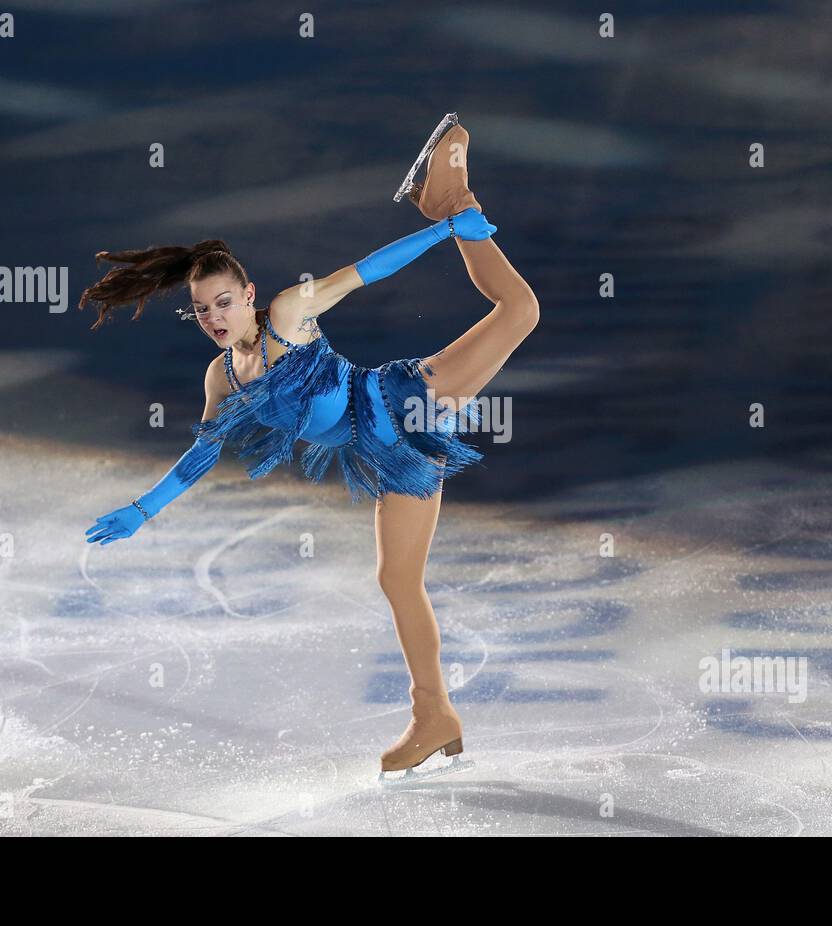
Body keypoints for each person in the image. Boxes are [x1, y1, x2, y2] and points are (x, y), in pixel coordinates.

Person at [80, 115, 539, 778]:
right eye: (202, 310)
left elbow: (365, 273)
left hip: (399, 404)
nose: (214, 318)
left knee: (520, 311)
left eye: (224, 303)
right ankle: (434, 718)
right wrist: (143, 509)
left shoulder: (291, 315)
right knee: (396, 577)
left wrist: (444, 233)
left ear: (249, 296)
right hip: (380, 449)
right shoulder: (221, 377)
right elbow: (204, 453)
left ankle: (453, 199)